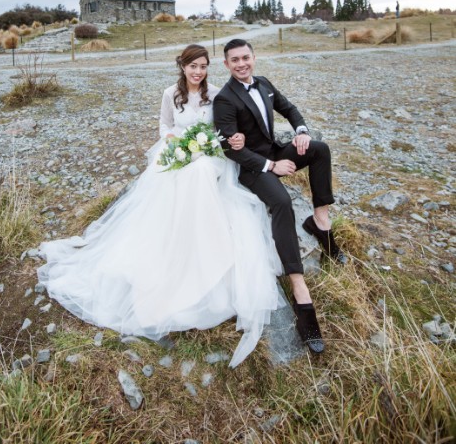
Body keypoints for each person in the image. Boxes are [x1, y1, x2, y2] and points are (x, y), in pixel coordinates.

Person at [38, 44, 285, 367]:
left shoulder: (217, 93)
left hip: (211, 156)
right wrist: (173, 142)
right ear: (182, 67)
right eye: (192, 66)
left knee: (199, 172)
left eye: (202, 66)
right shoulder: (171, 93)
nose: (197, 72)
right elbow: (165, 125)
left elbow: (223, 127)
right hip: (179, 152)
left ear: (209, 68)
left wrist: (217, 142)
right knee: (174, 175)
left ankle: (207, 242)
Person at [213, 39, 347, 354]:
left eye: (246, 57)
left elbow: (288, 108)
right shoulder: (224, 99)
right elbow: (228, 149)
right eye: (235, 60)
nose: (242, 64)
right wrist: (271, 165)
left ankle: (320, 222)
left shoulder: (264, 83)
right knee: (282, 203)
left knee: (319, 149)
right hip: (252, 168)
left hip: (273, 151)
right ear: (227, 65)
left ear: (254, 58)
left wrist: (300, 130)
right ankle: (299, 288)